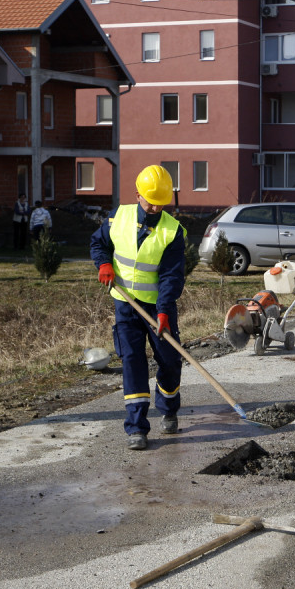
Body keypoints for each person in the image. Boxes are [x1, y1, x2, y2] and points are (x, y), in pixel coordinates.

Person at [90, 165, 187, 451]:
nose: (156, 207)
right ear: (138, 195)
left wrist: (164, 311)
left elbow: (172, 275)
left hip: (158, 307)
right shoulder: (118, 217)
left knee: (169, 359)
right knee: (132, 361)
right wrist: (104, 264)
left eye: (161, 203)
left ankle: (169, 408)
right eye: (150, 201)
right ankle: (136, 428)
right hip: (125, 305)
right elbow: (99, 243)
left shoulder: (172, 231)